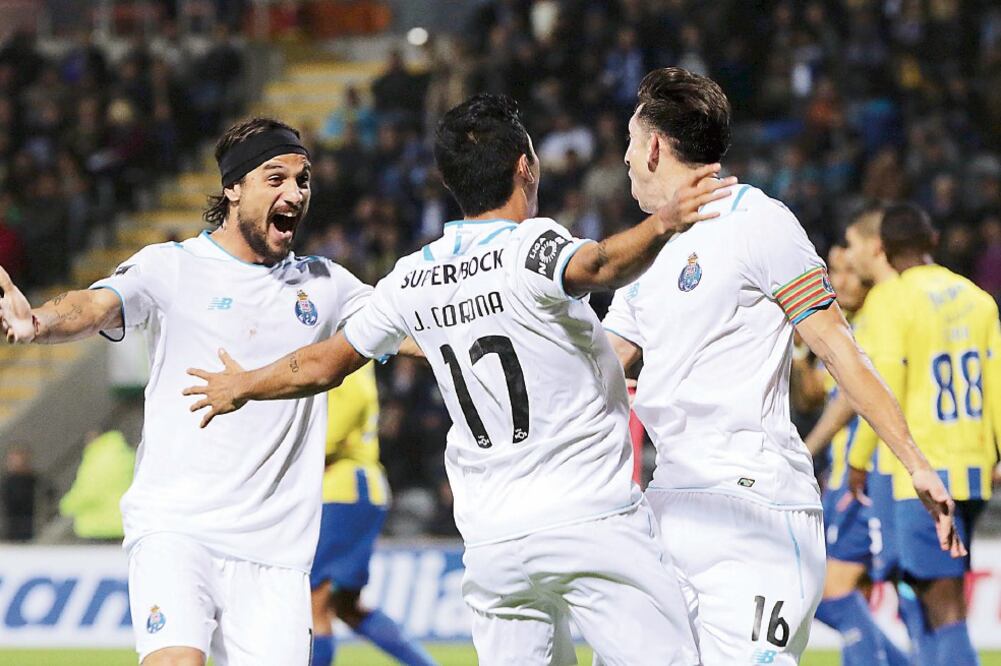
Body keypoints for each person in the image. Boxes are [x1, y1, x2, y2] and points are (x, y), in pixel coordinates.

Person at [184, 93, 734, 665]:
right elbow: (596, 265)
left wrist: (243, 384)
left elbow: (324, 363)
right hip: (590, 521)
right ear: (527, 166)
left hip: (495, 546)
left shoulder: (412, 277)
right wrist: (664, 222)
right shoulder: (531, 246)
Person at [600, 67, 962, 665]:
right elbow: (601, 367)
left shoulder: (758, 222)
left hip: (755, 509)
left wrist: (914, 460)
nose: (626, 158)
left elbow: (838, 348)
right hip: (666, 506)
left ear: (657, 147)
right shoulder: (652, 254)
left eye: (632, 144)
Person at [0, 116, 372, 666]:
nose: (295, 192)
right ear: (234, 188)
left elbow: (407, 330)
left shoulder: (328, 284)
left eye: (303, 180)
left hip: (276, 554)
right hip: (177, 528)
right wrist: (38, 322)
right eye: (277, 178)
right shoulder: (171, 267)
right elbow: (95, 304)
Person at [844, 203, 999, 665]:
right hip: (972, 467)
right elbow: (995, 384)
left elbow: (881, 387)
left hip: (920, 473)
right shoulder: (978, 299)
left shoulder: (892, 300)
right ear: (933, 242)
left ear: (884, 251)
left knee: (942, 604)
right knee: (927, 596)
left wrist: (858, 458)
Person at [793, 229, 911, 666]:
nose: (838, 282)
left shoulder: (870, 327)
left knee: (826, 592)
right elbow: (810, 398)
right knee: (851, 597)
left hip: (860, 474)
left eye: (847, 272)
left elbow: (849, 399)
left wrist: (807, 448)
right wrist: (799, 353)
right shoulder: (837, 329)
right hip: (848, 474)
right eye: (832, 272)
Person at [310, 363, 436, 666]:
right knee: (346, 606)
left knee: (314, 603)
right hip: (353, 490)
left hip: (344, 491)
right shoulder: (357, 371)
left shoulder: (347, 373)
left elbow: (329, 437)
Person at [59, 429, 136, 541]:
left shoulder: (96, 459)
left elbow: (88, 492)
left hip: (97, 526)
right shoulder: (128, 455)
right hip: (126, 524)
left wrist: (66, 506)